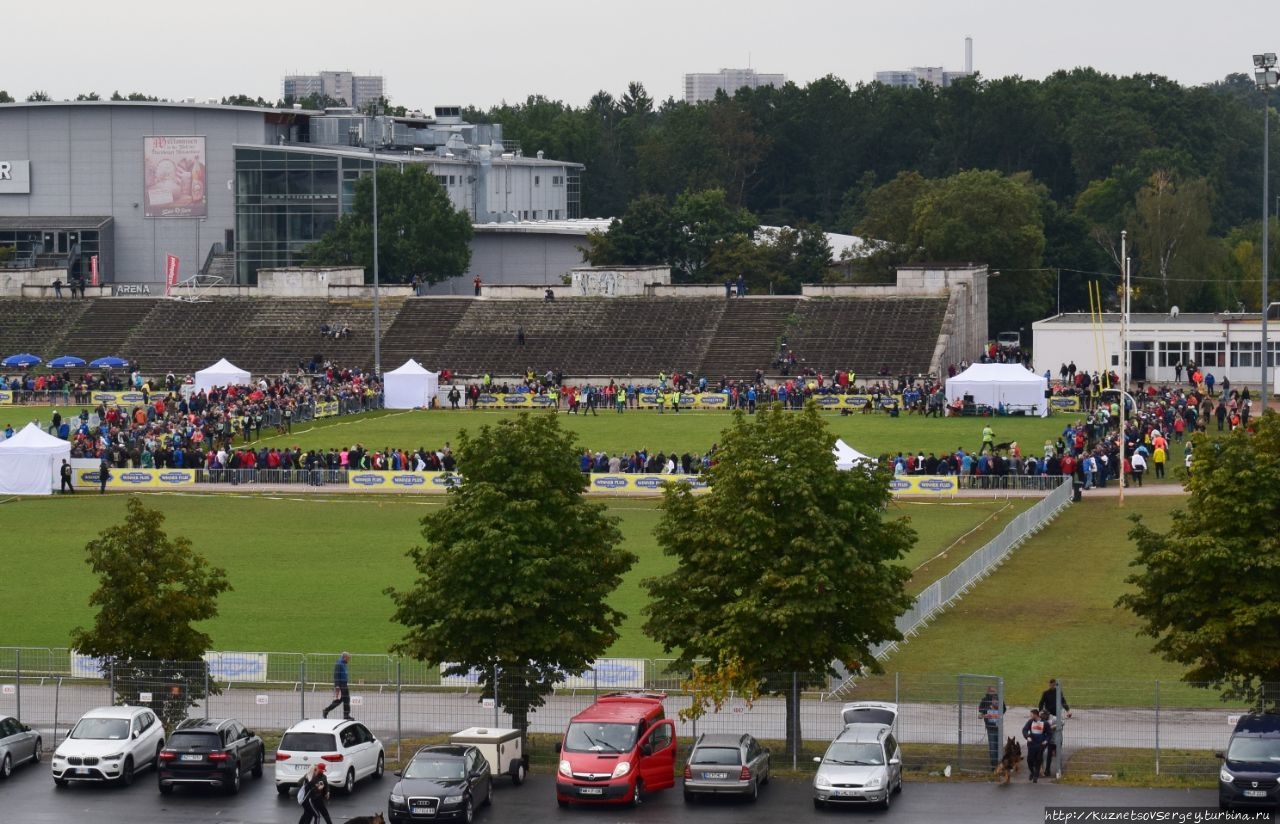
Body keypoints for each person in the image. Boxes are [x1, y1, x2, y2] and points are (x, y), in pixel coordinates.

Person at [978, 685, 1005, 769]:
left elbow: (1004, 709)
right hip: (990, 726)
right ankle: (994, 765)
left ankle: (1000, 763)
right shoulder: (984, 700)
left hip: (998, 726)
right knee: (992, 746)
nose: (994, 693)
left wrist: (998, 707)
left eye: (995, 691)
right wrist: (989, 707)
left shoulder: (999, 699)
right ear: (988, 691)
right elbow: (981, 710)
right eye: (992, 691)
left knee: (999, 745)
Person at [1022, 707, 1049, 782]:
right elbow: (1024, 730)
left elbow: (1049, 733)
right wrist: (1027, 737)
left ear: (1035, 715)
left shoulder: (1045, 723)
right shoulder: (1030, 722)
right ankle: (1032, 772)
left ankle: (1036, 776)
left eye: (1031, 715)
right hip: (1031, 744)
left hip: (1040, 744)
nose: (1030, 716)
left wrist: (1046, 740)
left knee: (1038, 760)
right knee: (1029, 760)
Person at [322, 651, 352, 720]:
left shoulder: (343, 663)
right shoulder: (339, 664)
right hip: (341, 685)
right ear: (344, 657)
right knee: (343, 700)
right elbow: (336, 675)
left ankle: (345, 715)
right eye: (348, 658)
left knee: (345, 700)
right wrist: (337, 686)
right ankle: (345, 715)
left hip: (344, 684)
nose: (349, 660)